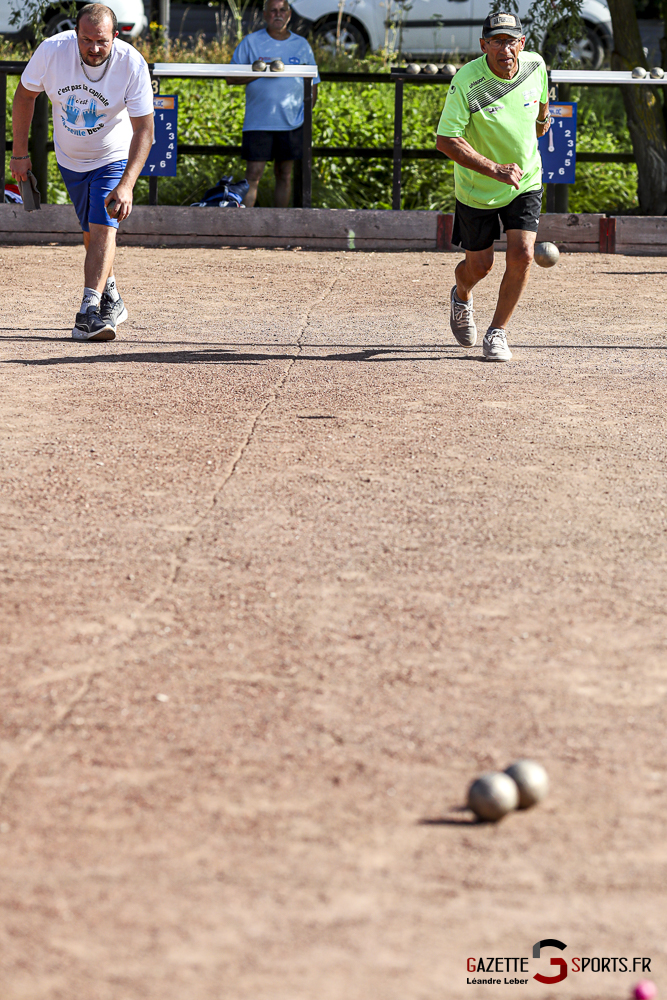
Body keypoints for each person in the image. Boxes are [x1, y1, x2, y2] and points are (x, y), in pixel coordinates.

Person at [11, 3, 154, 342]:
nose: (93, 48)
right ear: (75, 35)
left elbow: (145, 131)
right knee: (91, 233)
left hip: (113, 156)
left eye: (101, 41)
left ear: (115, 37)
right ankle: (113, 299)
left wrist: (127, 184)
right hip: (71, 160)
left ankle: (88, 312)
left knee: (103, 226)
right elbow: (24, 97)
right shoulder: (52, 51)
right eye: (86, 40)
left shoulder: (131, 63)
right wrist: (19, 153)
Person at [436, 12, 551, 362]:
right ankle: (462, 294)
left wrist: (544, 119)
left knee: (523, 254)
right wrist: (493, 168)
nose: (506, 48)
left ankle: (497, 332)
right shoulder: (467, 81)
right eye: (497, 41)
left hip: (526, 180)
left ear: (523, 43)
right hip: (479, 188)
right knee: (480, 267)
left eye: (511, 40)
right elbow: (446, 140)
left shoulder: (535, 65)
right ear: (484, 45)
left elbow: (543, 100)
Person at [227, 0, 320, 208]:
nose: (278, 14)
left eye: (282, 10)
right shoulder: (251, 42)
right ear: (265, 14)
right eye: (273, 10)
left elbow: (313, 83)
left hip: (291, 123)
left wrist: (304, 114)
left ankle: (280, 227)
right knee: (253, 174)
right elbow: (230, 77)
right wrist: (259, 72)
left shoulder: (302, 45)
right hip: (259, 121)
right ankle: (247, 227)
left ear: (289, 14)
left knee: (284, 174)